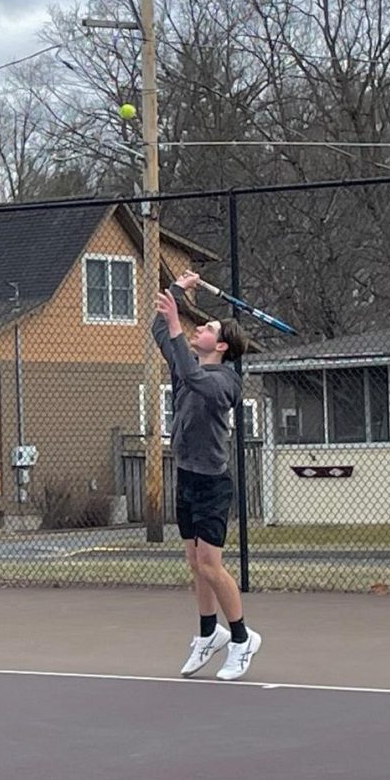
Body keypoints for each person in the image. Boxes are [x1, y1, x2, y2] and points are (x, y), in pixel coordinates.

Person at [152, 270, 261, 681]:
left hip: (213, 482)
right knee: (195, 564)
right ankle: (206, 634)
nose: (199, 329)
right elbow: (158, 327)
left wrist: (179, 324)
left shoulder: (226, 383)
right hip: (187, 476)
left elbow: (196, 378)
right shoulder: (187, 364)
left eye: (208, 328)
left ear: (221, 345)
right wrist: (179, 289)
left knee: (212, 566)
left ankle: (241, 638)